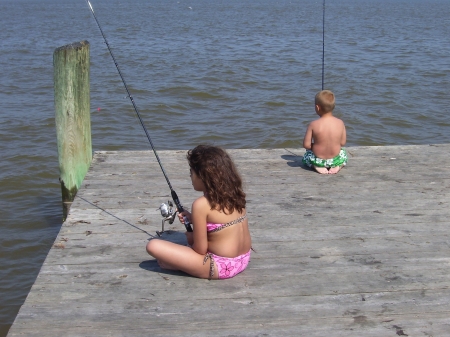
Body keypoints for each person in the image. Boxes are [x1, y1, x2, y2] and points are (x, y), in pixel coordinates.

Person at [146, 145, 252, 280]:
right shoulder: (236, 195)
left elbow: (200, 250)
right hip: (243, 260)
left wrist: (191, 237)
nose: (190, 175)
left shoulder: (201, 204)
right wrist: (193, 219)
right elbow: (221, 227)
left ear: (203, 176)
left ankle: (180, 266)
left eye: (192, 172)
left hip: (221, 267)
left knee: (153, 245)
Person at [302, 90, 347, 174]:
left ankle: (316, 166)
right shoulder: (340, 123)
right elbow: (342, 143)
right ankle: (338, 166)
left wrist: (315, 145)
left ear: (317, 107)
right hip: (334, 159)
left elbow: (306, 145)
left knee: (307, 156)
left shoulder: (313, 124)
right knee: (343, 153)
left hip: (318, 160)